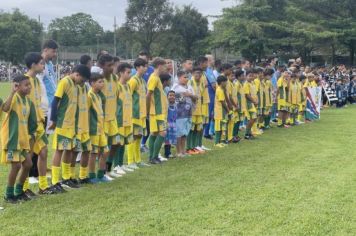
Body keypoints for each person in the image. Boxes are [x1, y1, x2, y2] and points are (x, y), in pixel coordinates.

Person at [49, 65, 91, 191]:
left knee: (69, 149)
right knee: (59, 150)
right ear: (77, 74)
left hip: (72, 125)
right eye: (82, 80)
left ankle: (66, 177)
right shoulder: (65, 82)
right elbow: (55, 101)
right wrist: (54, 120)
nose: (82, 83)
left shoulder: (75, 85)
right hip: (63, 125)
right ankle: (55, 180)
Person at [2, 74, 37, 203]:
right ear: (17, 86)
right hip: (12, 139)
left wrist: (32, 135)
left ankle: (19, 191)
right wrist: (12, 92)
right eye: (26, 85)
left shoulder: (29, 102)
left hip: (22, 140)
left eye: (30, 85)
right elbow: (5, 108)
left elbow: (32, 123)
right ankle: (9, 194)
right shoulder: (14, 98)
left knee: (28, 164)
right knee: (16, 166)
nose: (29, 87)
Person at [24, 52, 55, 195]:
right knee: (27, 156)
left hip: (39, 123)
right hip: (27, 126)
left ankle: (43, 187)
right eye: (41, 63)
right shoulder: (24, 81)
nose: (43, 65)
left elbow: (41, 101)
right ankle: (23, 188)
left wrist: (42, 117)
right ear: (33, 65)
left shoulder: (37, 80)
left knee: (43, 152)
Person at [97, 54, 120, 179]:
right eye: (109, 65)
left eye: (113, 65)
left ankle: (108, 167)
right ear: (102, 66)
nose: (112, 68)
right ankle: (101, 173)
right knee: (103, 148)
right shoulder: (99, 80)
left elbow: (116, 96)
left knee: (116, 143)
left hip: (113, 117)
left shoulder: (115, 78)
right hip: (103, 119)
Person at [127, 58, 150, 168]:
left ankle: (138, 160)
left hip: (142, 113)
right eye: (143, 66)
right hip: (134, 113)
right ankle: (130, 161)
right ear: (137, 68)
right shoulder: (133, 80)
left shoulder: (142, 81)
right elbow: (128, 96)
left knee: (139, 136)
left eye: (146, 66)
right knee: (133, 137)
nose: (145, 68)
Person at [111, 63, 135, 173]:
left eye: (130, 72)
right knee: (118, 143)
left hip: (128, 118)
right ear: (121, 73)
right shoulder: (117, 86)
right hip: (119, 120)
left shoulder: (128, 86)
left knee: (124, 142)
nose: (130, 75)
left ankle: (121, 164)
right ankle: (116, 166)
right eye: (128, 73)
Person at [87, 73, 109, 183]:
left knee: (105, 152)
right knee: (93, 153)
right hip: (93, 130)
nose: (102, 84)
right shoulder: (89, 96)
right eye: (100, 82)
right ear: (92, 83)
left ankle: (101, 174)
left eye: (103, 81)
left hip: (101, 129)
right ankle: (91, 175)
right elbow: (86, 113)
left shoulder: (99, 96)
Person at [146, 58, 168, 164]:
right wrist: (147, 109)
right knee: (162, 133)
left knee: (154, 133)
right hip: (157, 111)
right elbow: (148, 94)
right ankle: (154, 156)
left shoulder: (156, 77)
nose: (166, 68)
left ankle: (152, 157)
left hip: (158, 111)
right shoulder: (154, 78)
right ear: (159, 66)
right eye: (164, 66)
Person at [73, 70, 92, 185]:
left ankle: (83, 175)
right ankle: (69, 176)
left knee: (87, 150)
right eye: (83, 79)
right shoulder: (73, 88)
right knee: (74, 151)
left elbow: (88, 107)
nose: (83, 82)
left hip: (85, 126)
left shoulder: (85, 88)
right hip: (76, 126)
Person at [172, 71, 196, 157]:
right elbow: (176, 99)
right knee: (179, 133)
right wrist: (184, 95)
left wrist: (190, 95)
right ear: (179, 78)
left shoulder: (189, 87)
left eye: (187, 77)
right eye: (184, 77)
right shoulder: (176, 88)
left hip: (188, 113)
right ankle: (178, 152)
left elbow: (195, 98)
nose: (186, 79)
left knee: (185, 132)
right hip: (179, 114)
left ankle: (183, 151)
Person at [187, 67, 205, 155]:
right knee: (190, 129)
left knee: (196, 129)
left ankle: (194, 146)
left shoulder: (201, 83)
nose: (198, 75)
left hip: (199, 109)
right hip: (192, 110)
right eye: (196, 73)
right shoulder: (190, 82)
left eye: (200, 73)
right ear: (193, 74)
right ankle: (188, 147)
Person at [214, 75, 229, 147]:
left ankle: (220, 141)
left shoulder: (221, 89)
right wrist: (228, 109)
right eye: (225, 82)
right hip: (219, 112)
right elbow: (222, 102)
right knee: (218, 127)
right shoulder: (219, 90)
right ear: (222, 82)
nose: (226, 83)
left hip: (222, 112)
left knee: (222, 126)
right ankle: (216, 142)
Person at [243, 70, 258, 139]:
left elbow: (255, 93)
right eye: (249, 76)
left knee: (253, 118)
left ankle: (249, 133)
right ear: (246, 76)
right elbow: (247, 95)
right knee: (252, 118)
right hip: (249, 103)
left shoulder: (253, 83)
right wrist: (254, 101)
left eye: (252, 76)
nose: (251, 77)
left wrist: (256, 101)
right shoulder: (246, 84)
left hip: (253, 103)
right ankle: (247, 134)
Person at [164, 91, 178, 158]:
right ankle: (167, 153)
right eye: (170, 95)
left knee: (171, 139)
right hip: (167, 125)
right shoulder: (166, 105)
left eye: (173, 95)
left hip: (174, 125)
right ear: (167, 97)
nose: (172, 97)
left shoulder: (176, 105)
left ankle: (169, 152)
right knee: (167, 140)